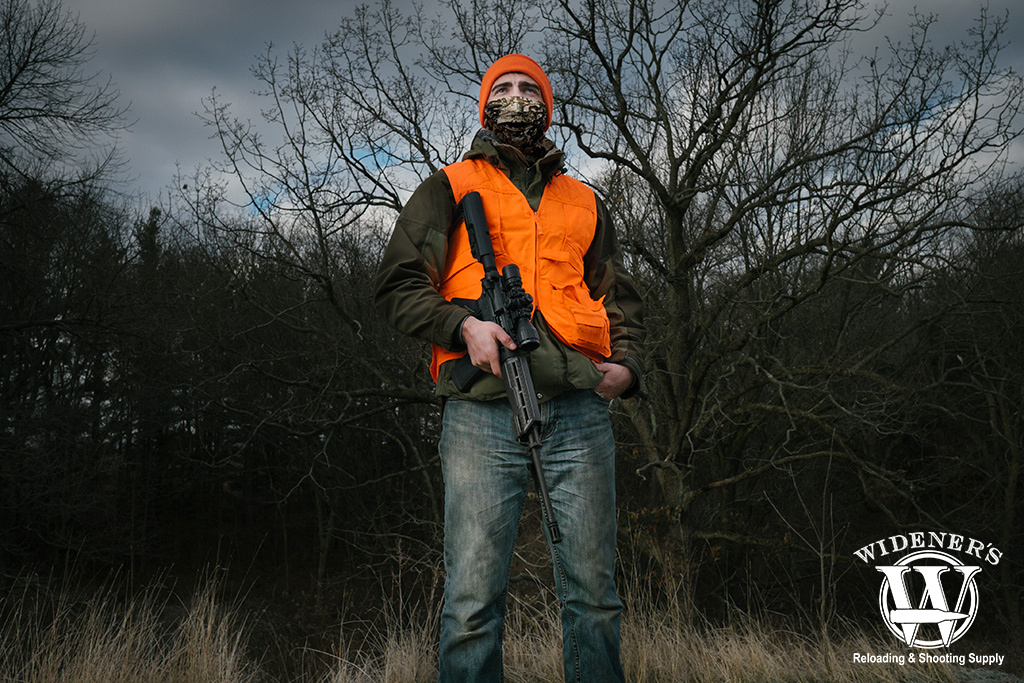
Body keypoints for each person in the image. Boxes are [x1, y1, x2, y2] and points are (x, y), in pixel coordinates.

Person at [374, 53, 644, 683]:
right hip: (480, 415)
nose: (518, 98)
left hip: (579, 410)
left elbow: (618, 297)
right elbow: (395, 285)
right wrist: (461, 325)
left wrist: (627, 368)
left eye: (530, 89)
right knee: (471, 604)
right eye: (505, 88)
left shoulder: (583, 201)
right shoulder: (450, 186)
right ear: (484, 106)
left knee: (595, 599)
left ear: (547, 107)